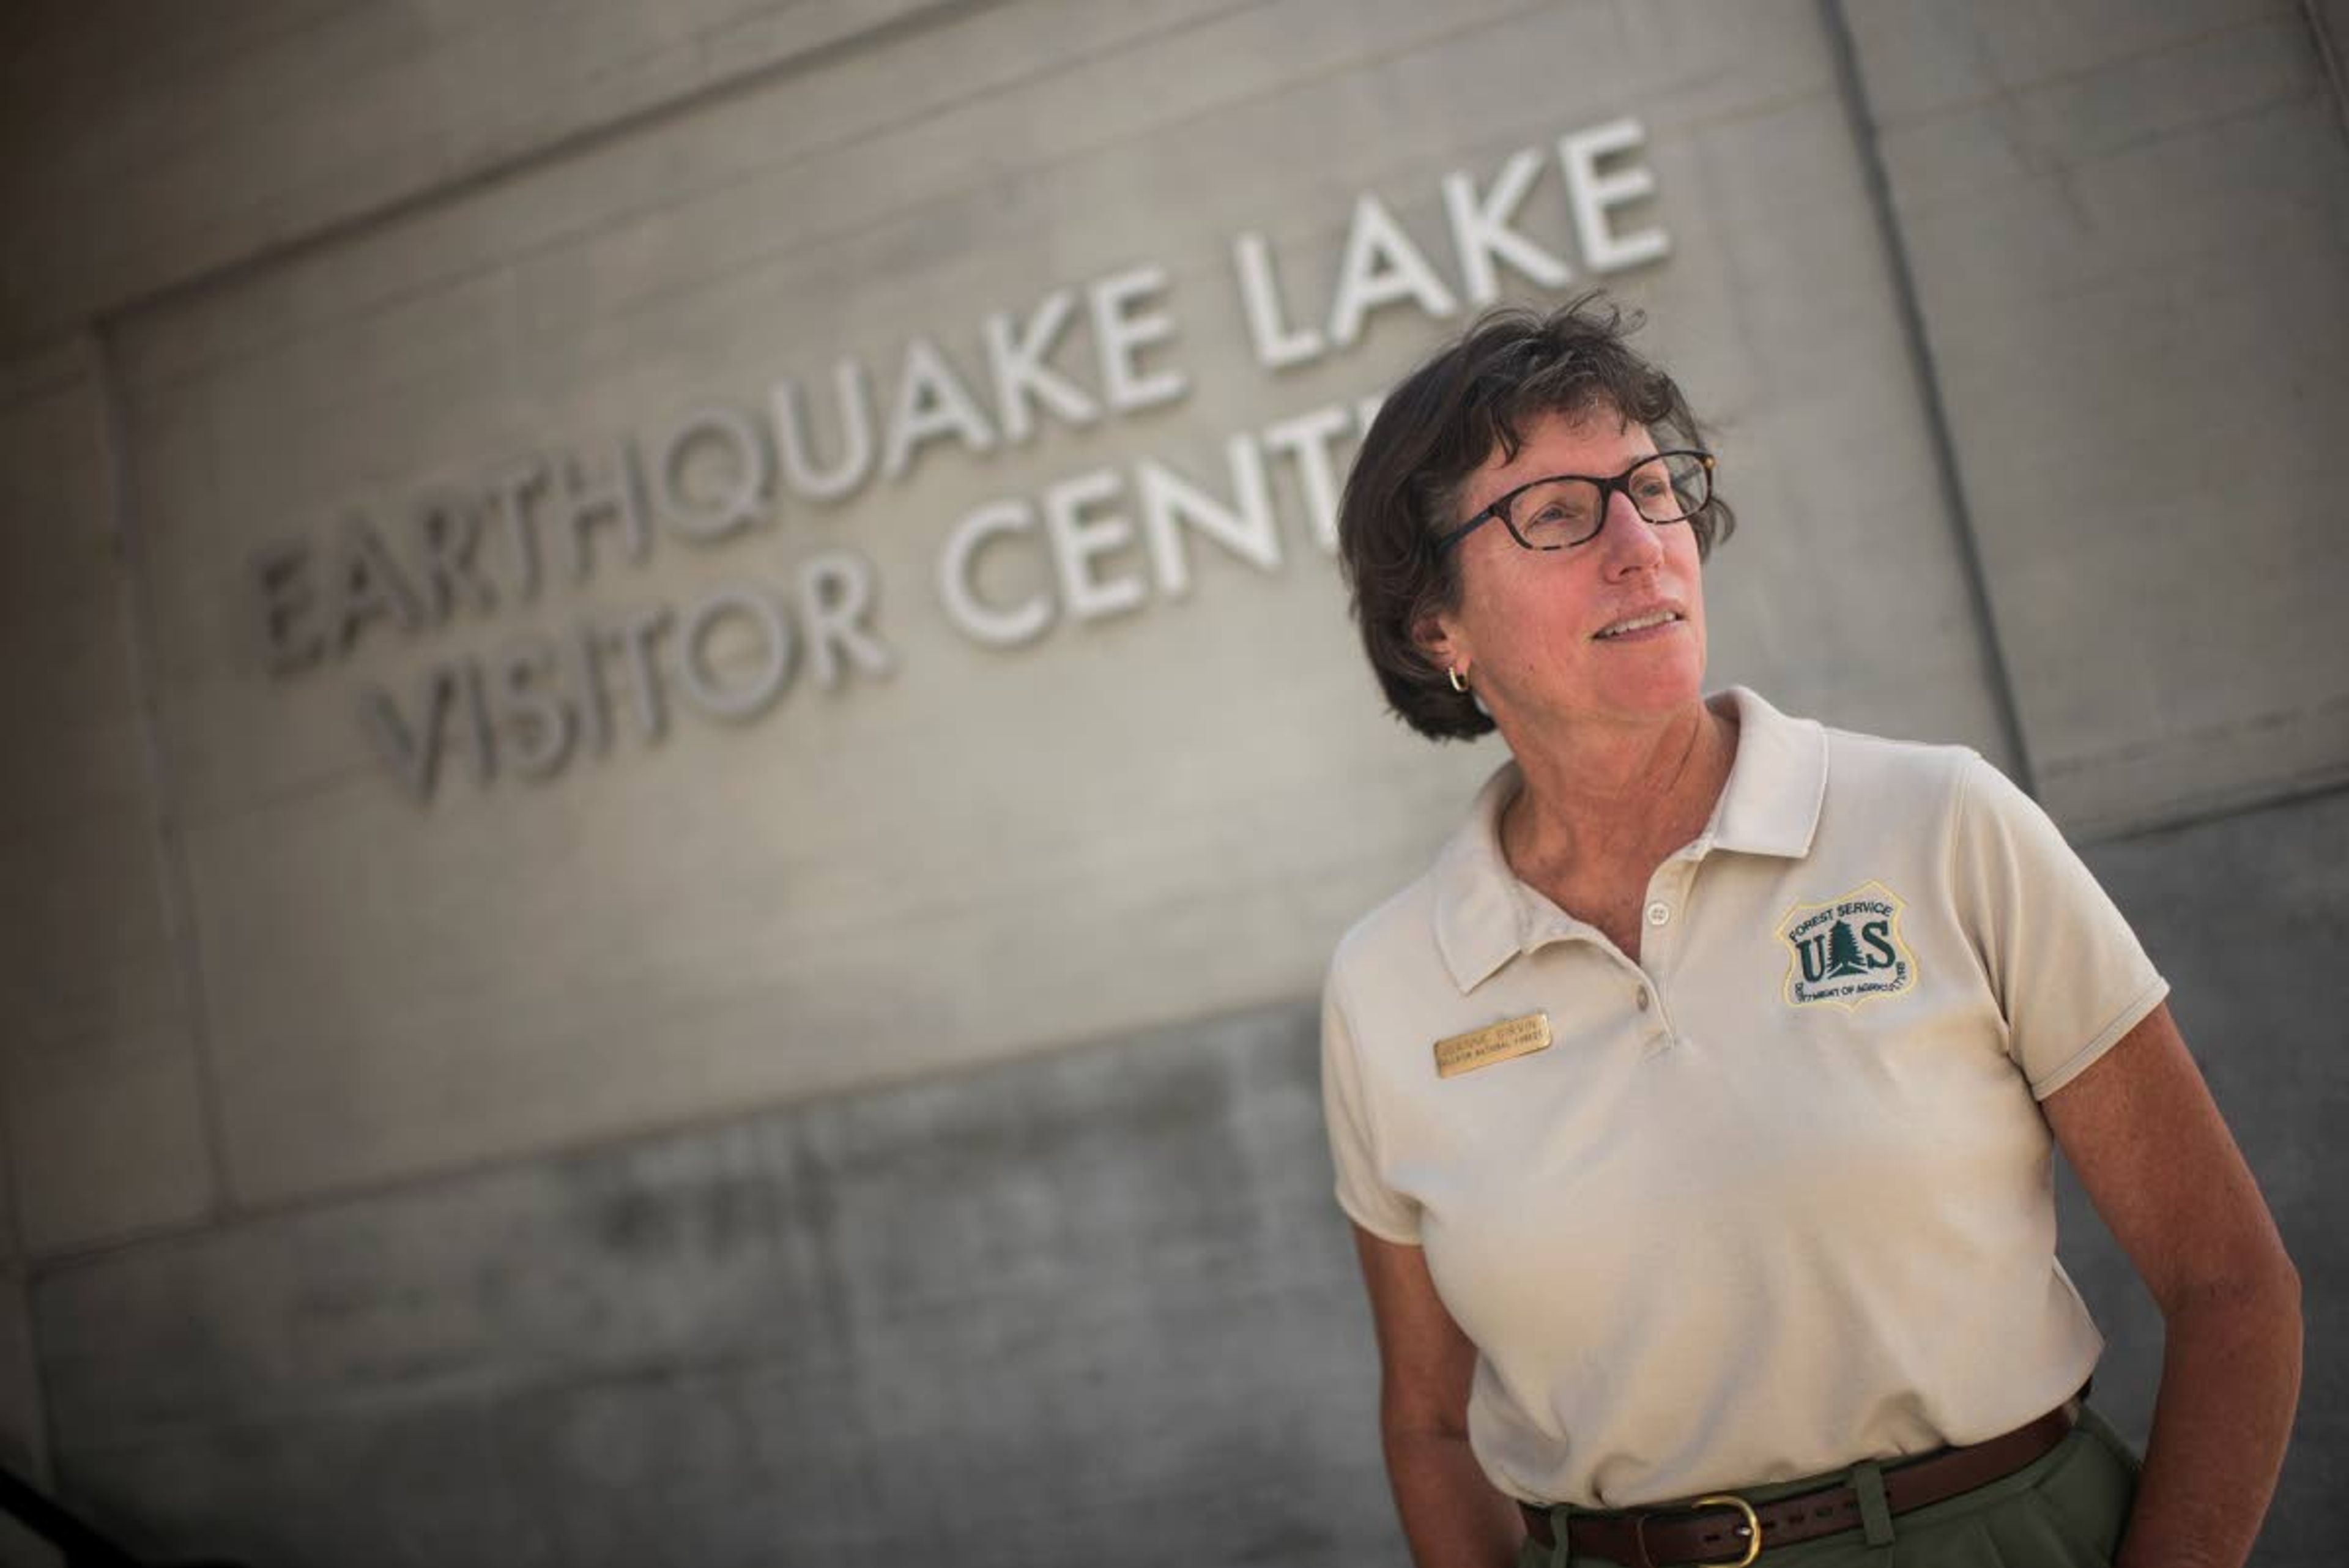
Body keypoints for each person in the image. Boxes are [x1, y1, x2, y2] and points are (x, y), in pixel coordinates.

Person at [1320, 297, 2300, 1568]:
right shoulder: (1388, 987)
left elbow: (2233, 1288)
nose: (1640, 545)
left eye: (1654, 488)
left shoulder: (1939, 822)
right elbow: (1429, 1428)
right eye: (1555, 513)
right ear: (1434, 626)